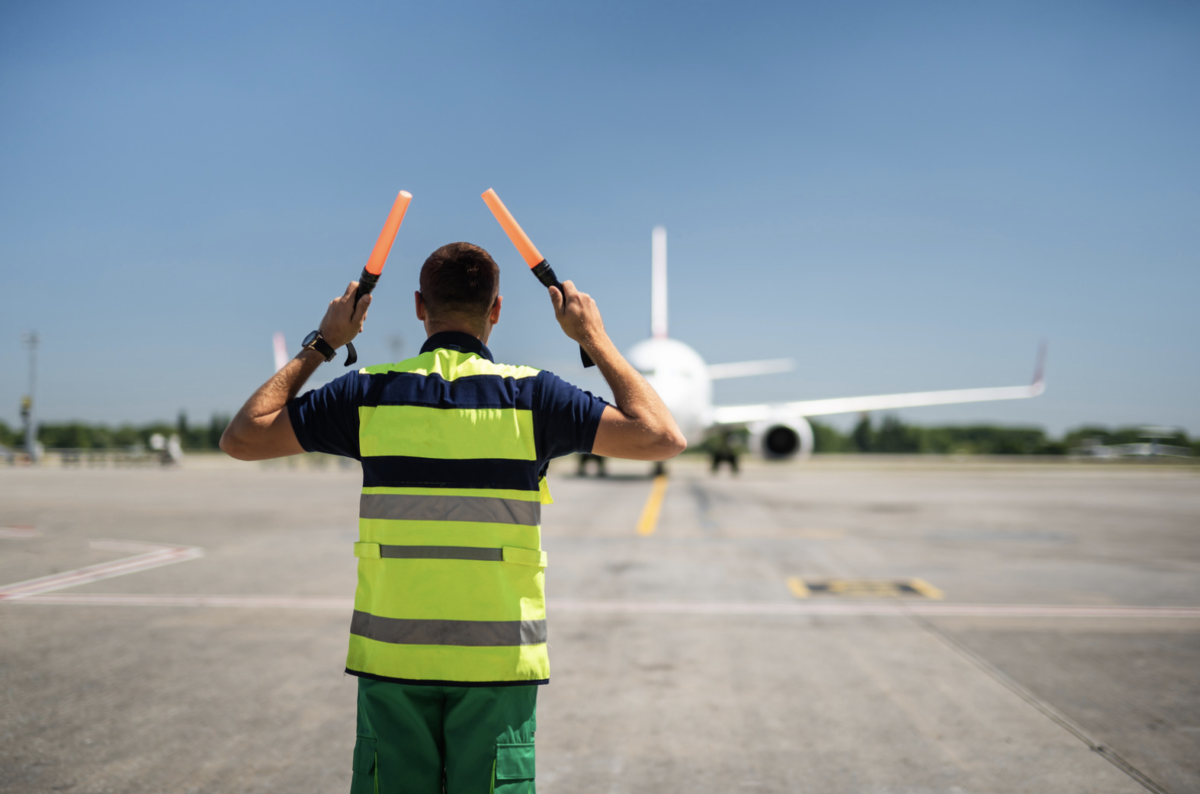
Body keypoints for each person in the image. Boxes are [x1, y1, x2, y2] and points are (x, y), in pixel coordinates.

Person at [220, 242, 685, 793]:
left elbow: (243, 438)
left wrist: (325, 342)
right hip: (497, 667)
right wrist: (593, 337)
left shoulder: (368, 394)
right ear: (496, 310)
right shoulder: (533, 398)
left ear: (420, 306)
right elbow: (663, 437)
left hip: (393, 663)